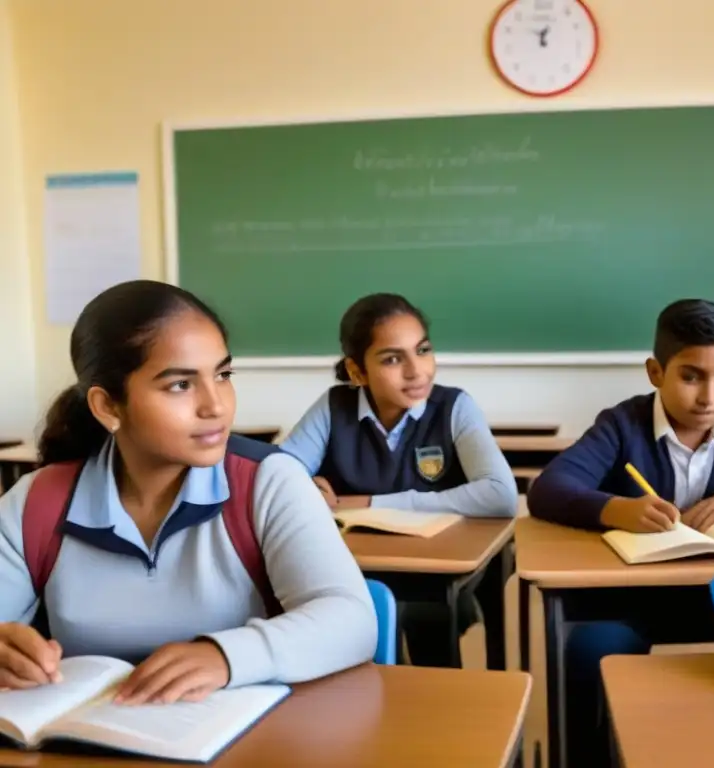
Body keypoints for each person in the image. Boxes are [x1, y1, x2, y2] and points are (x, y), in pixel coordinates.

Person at [0, 280, 377, 702]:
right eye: (180, 385)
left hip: (247, 743)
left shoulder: (268, 482)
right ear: (107, 406)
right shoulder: (35, 503)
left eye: (223, 374)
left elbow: (354, 621)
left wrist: (225, 656)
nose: (215, 405)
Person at [527, 298, 714, 767]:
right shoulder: (621, 425)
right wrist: (618, 509)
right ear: (656, 372)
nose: (709, 397)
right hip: (631, 601)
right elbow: (548, 489)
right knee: (592, 652)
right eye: (691, 376)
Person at [280, 293, 518, 667]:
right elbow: (279, 473)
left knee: (426, 623)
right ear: (357, 372)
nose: (416, 371)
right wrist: (304, 485)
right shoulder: (334, 407)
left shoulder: (454, 407)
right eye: (393, 359)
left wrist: (369, 502)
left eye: (422, 350)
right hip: (355, 566)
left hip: (437, 571)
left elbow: (501, 496)